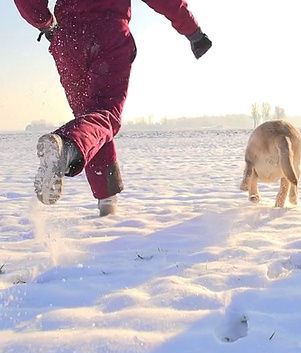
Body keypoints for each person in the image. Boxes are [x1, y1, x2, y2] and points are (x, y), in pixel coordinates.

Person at [14, 0, 212, 216]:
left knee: (89, 123)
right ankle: (66, 147)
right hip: (108, 33)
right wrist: (193, 32)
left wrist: (44, 22)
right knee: (102, 116)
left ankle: (107, 204)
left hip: (68, 38)